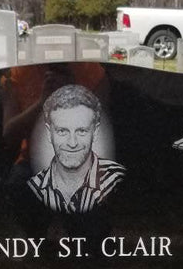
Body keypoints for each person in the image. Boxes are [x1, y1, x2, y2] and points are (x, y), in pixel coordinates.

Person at [27, 84, 125, 214]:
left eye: (82, 131)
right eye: (62, 131)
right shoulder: (35, 185)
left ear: (95, 133)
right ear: (49, 133)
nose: (72, 143)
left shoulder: (115, 179)